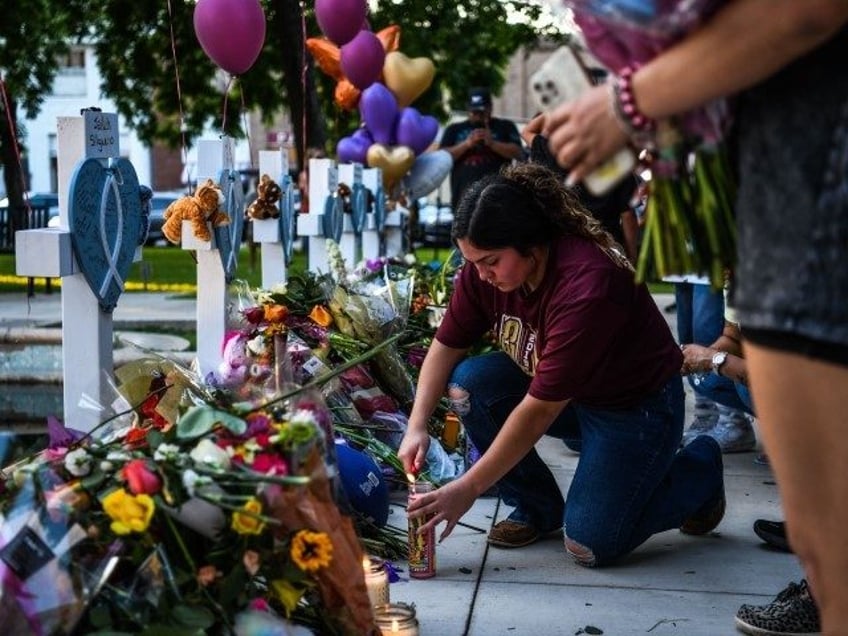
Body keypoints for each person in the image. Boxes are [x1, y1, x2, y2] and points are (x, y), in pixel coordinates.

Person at [542, 2, 848, 632]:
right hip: (781, 194)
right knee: (823, 554)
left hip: (817, 194)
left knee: (833, 555)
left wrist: (630, 101)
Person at [398, 162, 725, 566]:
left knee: (591, 542)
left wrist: (467, 488)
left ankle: (700, 470)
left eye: (491, 261)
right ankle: (537, 507)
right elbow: (446, 346)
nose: (481, 275)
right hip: (573, 395)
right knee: (470, 385)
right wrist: (416, 427)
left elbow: (538, 411)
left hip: (635, 409)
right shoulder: (482, 275)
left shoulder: (586, 284)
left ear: (531, 245)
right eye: (474, 262)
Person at [521, 112, 640, 264]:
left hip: (566, 246)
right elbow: (628, 215)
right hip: (607, 245)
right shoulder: (618, 163)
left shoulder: (554, 154)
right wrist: (632, 254)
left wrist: (554, 110)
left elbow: (527, 132)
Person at [672, 277, 755, 452]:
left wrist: (713, 359)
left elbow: (773, 378)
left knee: (746, 389)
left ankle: (798, 437)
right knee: (703, 379)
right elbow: (732, 337)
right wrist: (698, 357)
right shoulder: (733, 278)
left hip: (799, 382)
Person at [438, 87, 523, 209]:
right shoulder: (454, 129)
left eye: (481, 112)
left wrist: (493, 144)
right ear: (468, 109)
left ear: (490, 108)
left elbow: (518, 153)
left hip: (499, 198)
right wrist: (467, 144)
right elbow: (441, 157)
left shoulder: (505, 126)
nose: (478, 116)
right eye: (474, 112)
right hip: (463, 198)